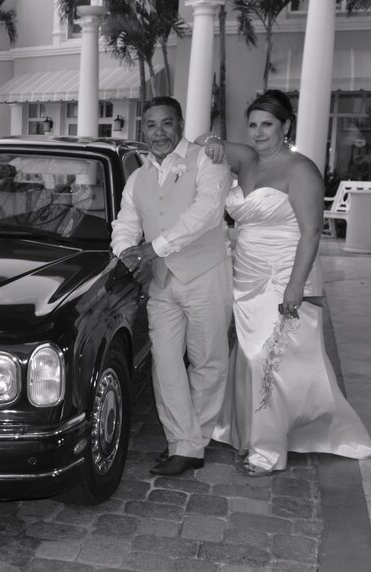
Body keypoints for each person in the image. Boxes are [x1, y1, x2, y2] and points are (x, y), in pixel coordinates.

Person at [199, 89, 371, 476]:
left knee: (267, 358)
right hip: (244, 276)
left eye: (268, 125)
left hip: (283, 275)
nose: (259, 133)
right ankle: (248, 431)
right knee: (247, 356)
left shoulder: (301, 170)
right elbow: (199, 141)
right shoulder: (246, 159)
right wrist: (211, 142)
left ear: (286, 126)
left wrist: (296, 287)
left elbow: (311, 233)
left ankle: (267, 450)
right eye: (254, 125)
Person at [111, 96, 233, 476]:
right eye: (150, 125)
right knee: (165, 364)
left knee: (208, 360)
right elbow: (125, 222)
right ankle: (185, 443)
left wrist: (153, 249)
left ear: (179, 125)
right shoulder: (137, 177)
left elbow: (207, 213)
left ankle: (194, 441)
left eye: (166, 124)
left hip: (206, 274)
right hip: (162, 282)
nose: (159, 132)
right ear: (142, 129)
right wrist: (125, 253)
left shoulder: (207, 159)